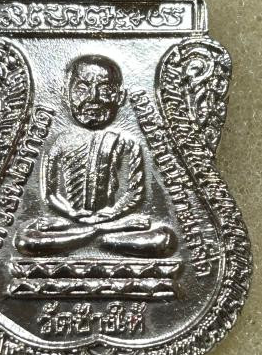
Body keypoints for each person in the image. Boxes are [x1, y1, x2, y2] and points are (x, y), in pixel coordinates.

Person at [15, 55, 176, 257]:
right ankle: (98, 235)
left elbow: (134, 193)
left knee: (163, 240)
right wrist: (72, 213)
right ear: (66, 94)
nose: (93, 97)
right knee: (27, 241)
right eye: (82, 89)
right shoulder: (59, 142)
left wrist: (110, 214)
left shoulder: (128, 142)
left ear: (120, 96)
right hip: (72, 224)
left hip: (113, 223)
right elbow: (51, 194)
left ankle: (94, 235)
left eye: (105, 90)